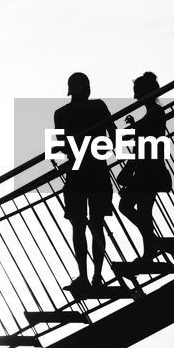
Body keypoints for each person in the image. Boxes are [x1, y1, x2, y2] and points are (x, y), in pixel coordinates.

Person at [54, 72, 115, 289]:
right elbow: (114, 137)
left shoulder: (60, 114)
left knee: (78, 226)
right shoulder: (99, 106)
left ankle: (83, 276)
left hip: (76, 173)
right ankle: (98, 276)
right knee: (97, 225)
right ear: (87, 88)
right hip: (98, 171)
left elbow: (63, 145)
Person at [118, 71, 172, 261]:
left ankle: (152, 245)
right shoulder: (154, 113)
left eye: (136, 91)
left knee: (128, 207)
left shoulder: (155, 113)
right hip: (149, 169)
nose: (134, 96)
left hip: (148, 170)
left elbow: (145, 144)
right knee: (142, 211)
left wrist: (129, 168)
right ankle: (150, 248)